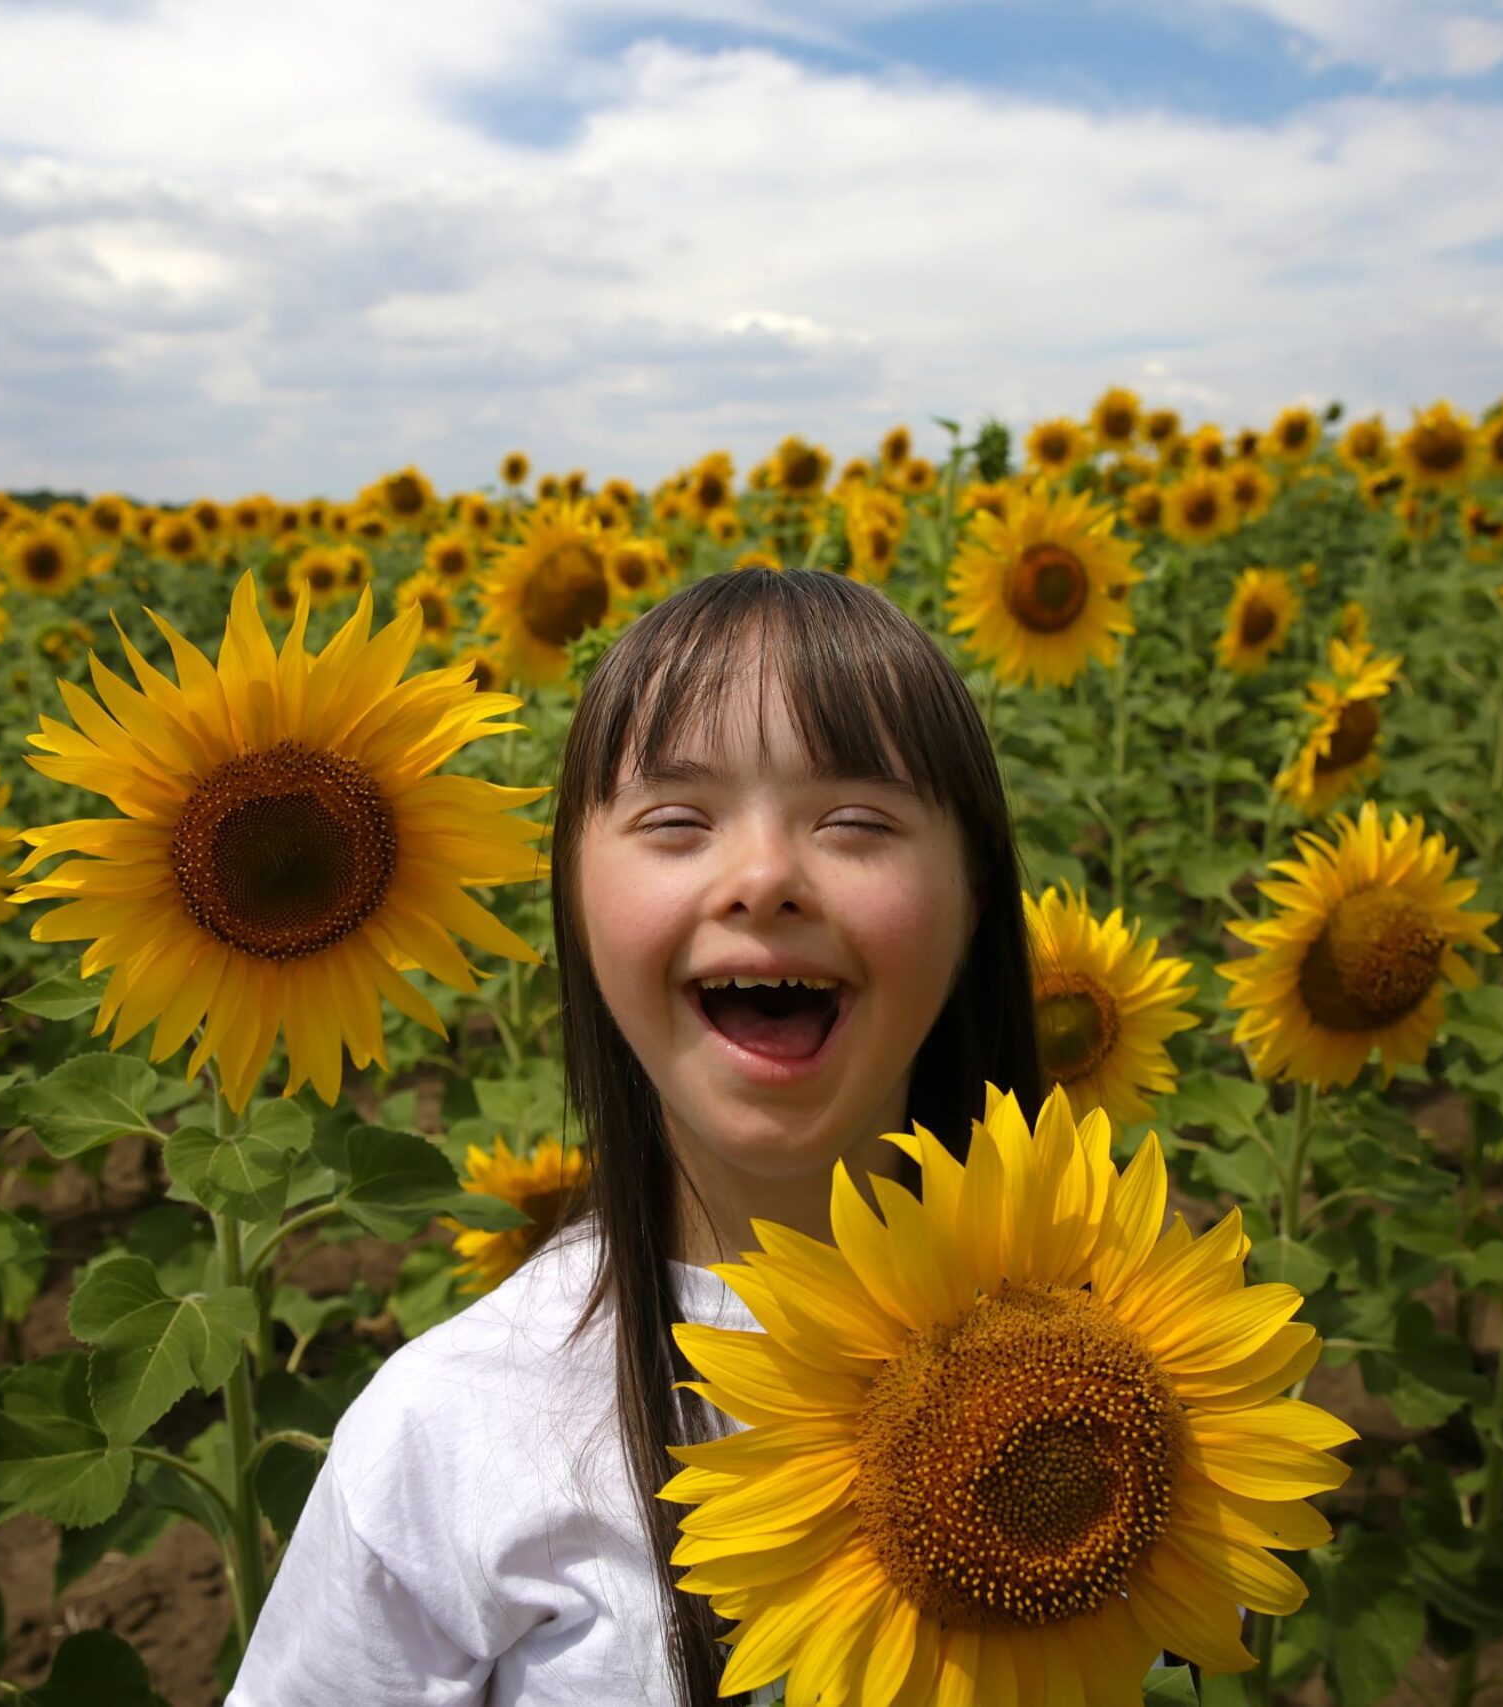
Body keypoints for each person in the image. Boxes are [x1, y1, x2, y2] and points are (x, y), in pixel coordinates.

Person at [227, 567, 1043, 1706]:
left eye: (856, 821)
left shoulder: (1133, 1376)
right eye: (676, 821)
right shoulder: (453, 1435)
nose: (762, 879)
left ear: (976, 903)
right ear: (575, 902)